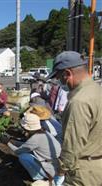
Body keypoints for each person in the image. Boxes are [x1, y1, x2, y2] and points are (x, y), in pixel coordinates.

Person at [47, 51, 102, 185]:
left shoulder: (78, 101)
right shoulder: (96, 90)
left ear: (67, 74)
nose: (60, 82)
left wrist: (60, 171)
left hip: (83, 170)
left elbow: (72, 145)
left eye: (59, 77)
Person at [7, 113, 62, 186]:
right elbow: (27, 145)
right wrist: (13, 141)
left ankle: (39, 178)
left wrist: (7, 143)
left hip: (52, 172)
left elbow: (18, 151)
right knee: (30, 153)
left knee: (23, 157)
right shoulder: (44, 132)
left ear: (27, 128)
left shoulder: (35, 139)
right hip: (59, 167)